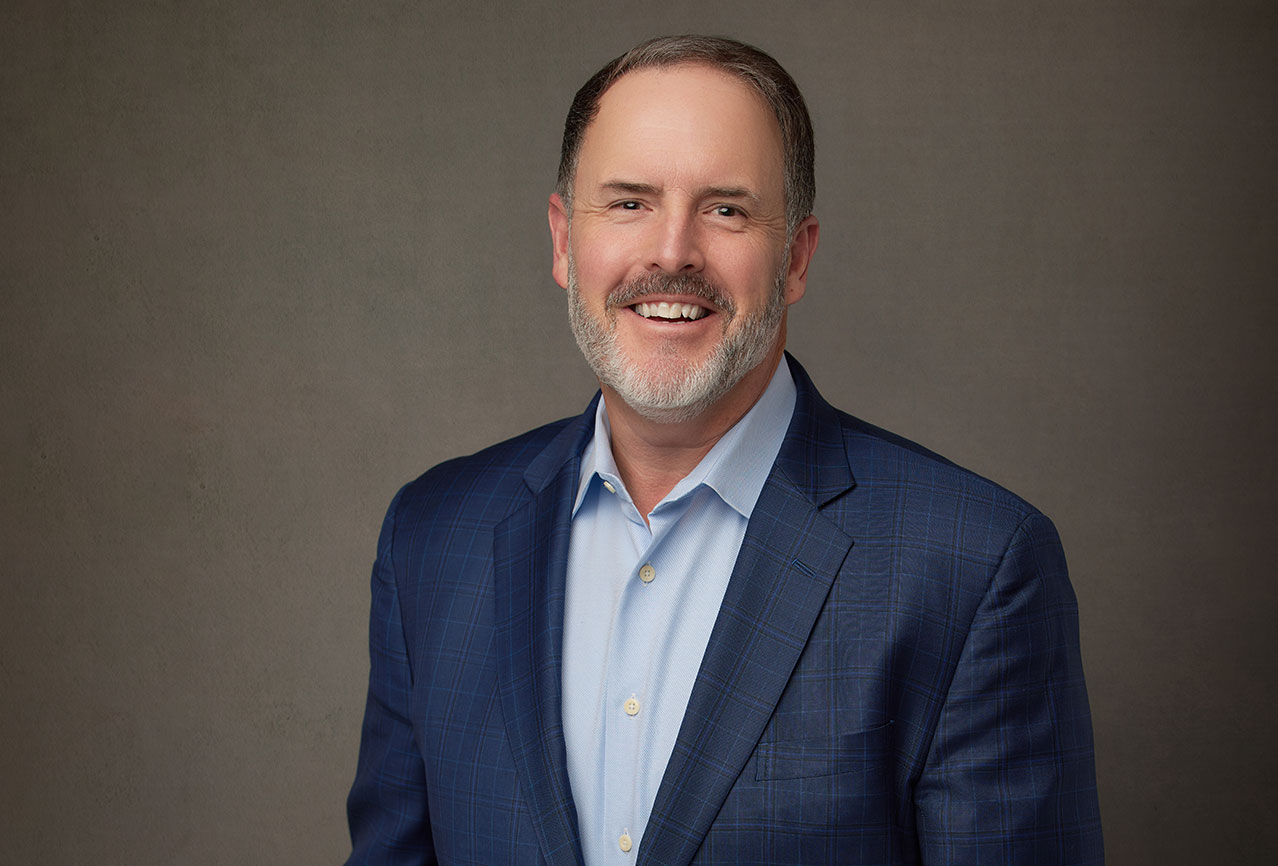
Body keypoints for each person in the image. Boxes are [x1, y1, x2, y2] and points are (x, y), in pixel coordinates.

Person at [345, 35, 1102, 866]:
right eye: (628, 202)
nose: (672, 252)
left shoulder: (973, 564)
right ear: (564, 241)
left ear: (797, 258)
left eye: (726, 209)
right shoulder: (433, 534)